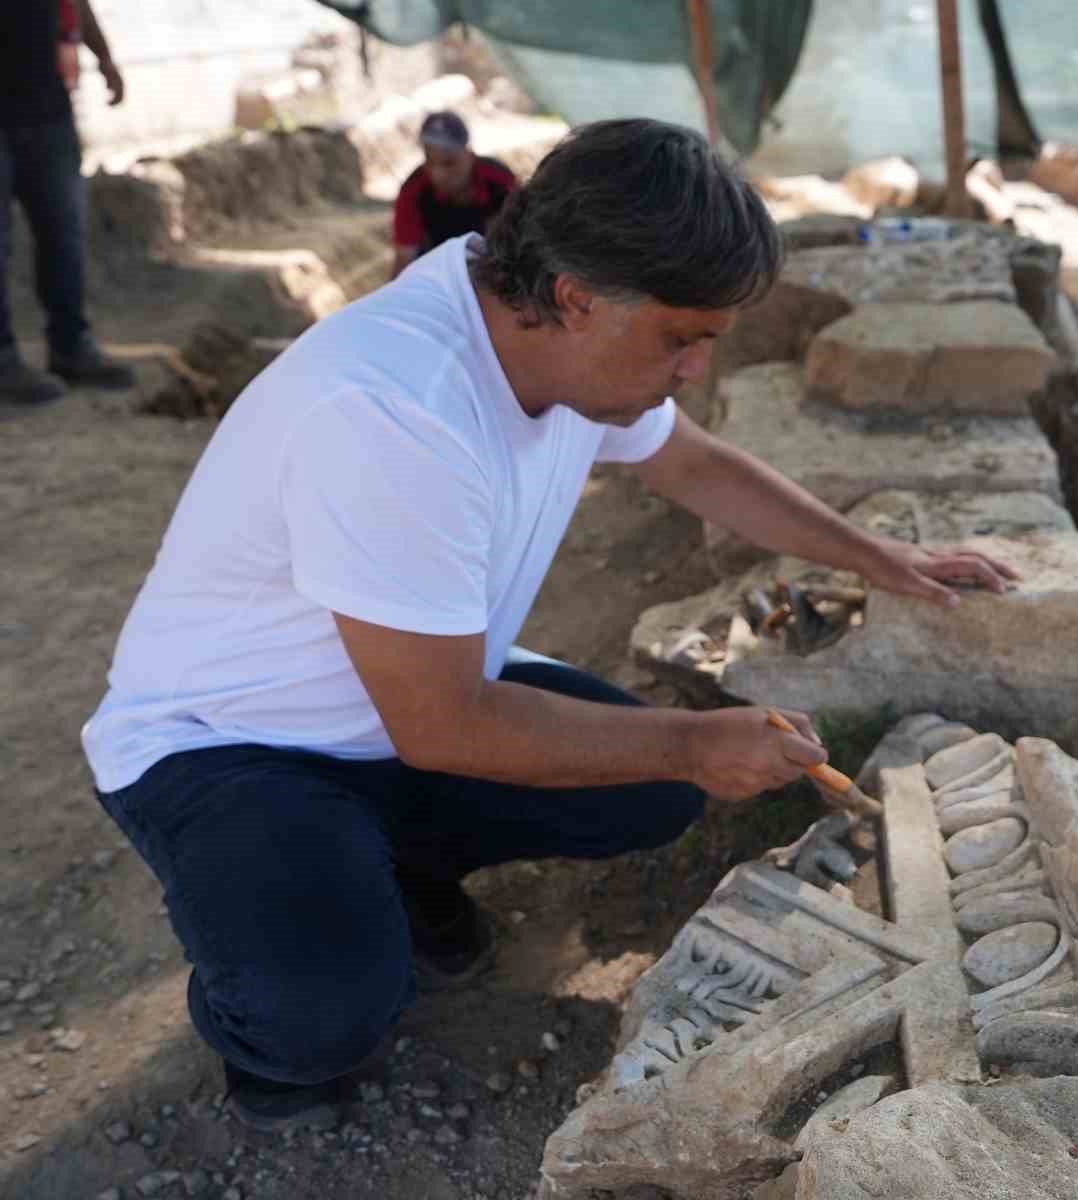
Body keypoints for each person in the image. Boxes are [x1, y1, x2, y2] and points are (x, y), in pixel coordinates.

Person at [82, 118, 1017, 1131]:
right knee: (326, 1012)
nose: (694, 369)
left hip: (403, 705)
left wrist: (880, 557)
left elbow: (695, 465)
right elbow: (442, 729)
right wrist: (692, 740)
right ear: (576, 298)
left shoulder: (539, 327)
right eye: (682, 339)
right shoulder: (395, 415)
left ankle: (391, 866)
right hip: (230, 743)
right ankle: (264, 999)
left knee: (646, 794)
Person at [0, 0, 135, 407]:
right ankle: (3, 362)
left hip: (47, 109)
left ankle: (71, 348)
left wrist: (104, 58)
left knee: (64, 232)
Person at [391, 110, 517, 279]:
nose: (438, 174)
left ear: (469, 154)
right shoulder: (413, 191)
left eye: (449, 163)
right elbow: (404, 261)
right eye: (429, 161)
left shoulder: (499, 180)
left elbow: (523, 237)